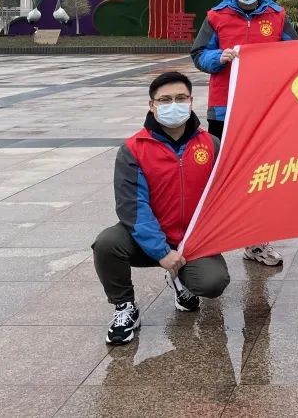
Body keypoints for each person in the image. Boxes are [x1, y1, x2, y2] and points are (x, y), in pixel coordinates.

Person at [190, 0, 298, 267]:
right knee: (221, 175)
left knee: (260, 176)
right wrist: (218, 58)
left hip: (264, 111)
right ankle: (209, 239)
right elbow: (198, 54)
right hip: (225, 110)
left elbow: (292, 52)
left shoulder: (276, 15)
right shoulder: (216, 17)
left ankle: (256, 242)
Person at [92, 71, 230, 345]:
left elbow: (223, 195)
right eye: (165, 100)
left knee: (212, 283)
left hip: (192, 240)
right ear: (152, 105)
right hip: (146, 237)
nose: (173, 105)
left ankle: (180, 281)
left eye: (180, 98)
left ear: (191, 101)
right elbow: (133, 207)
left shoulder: (210, 144)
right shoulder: (134, 149)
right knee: (107, 244)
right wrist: (162, 251)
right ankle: (125, 307)